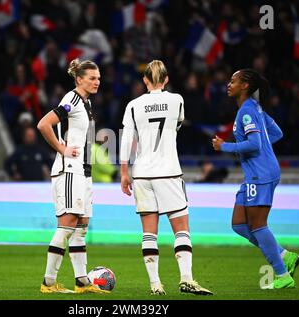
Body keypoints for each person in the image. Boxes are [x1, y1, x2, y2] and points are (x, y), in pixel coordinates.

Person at [120, 60, 213, 296]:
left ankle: (155, 284)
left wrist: (124, 172)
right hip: (169, 171)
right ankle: (187, 279)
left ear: (145, 80)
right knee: (181, 229)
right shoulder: (177, 100)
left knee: (149, 232)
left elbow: (126, 140)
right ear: (167, 79)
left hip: (142, 173)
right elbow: (178, 125)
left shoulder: (133, 105)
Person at [212, 69, 299, 289]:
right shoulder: (254, 108)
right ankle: (283, 255)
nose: (228, 84)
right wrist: (263, 148)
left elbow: (254, 144)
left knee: (258, 225)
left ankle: (282, 275)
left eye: (233, 80)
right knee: (239, 225)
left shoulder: (247, 112)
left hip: (260, 174)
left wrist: (225, 146)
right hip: (255, 173)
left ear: (245, 85)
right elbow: (277, 133)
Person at [36, 59, 107, 294]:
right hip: (70, 170)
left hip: (84, 172)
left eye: (98, 78)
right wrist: (61, 148)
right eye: (92, 78)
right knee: (67, 225)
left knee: (81, 227)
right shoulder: (72, 98)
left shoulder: (86, 103)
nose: (97, 81)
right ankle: (48, 283)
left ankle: (82, 281)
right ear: (79, 79)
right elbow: (44, 124)